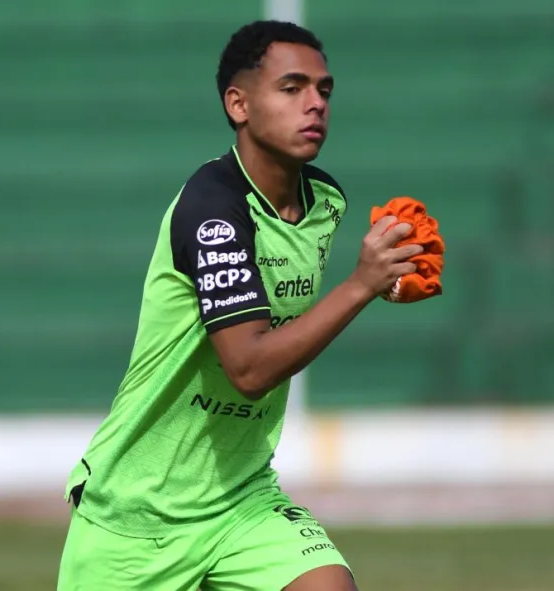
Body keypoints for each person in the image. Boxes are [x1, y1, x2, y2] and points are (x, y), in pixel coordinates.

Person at [57, 20, 421, 591]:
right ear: (239, 104)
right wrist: (360, 287)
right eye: (292, 88)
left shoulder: (325, 203)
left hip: (241, 498)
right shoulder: (212, 212)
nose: (315, 105)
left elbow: (284, 317)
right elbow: (248, 368)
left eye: (324, 90)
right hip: (135, 515)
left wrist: (390, 279)